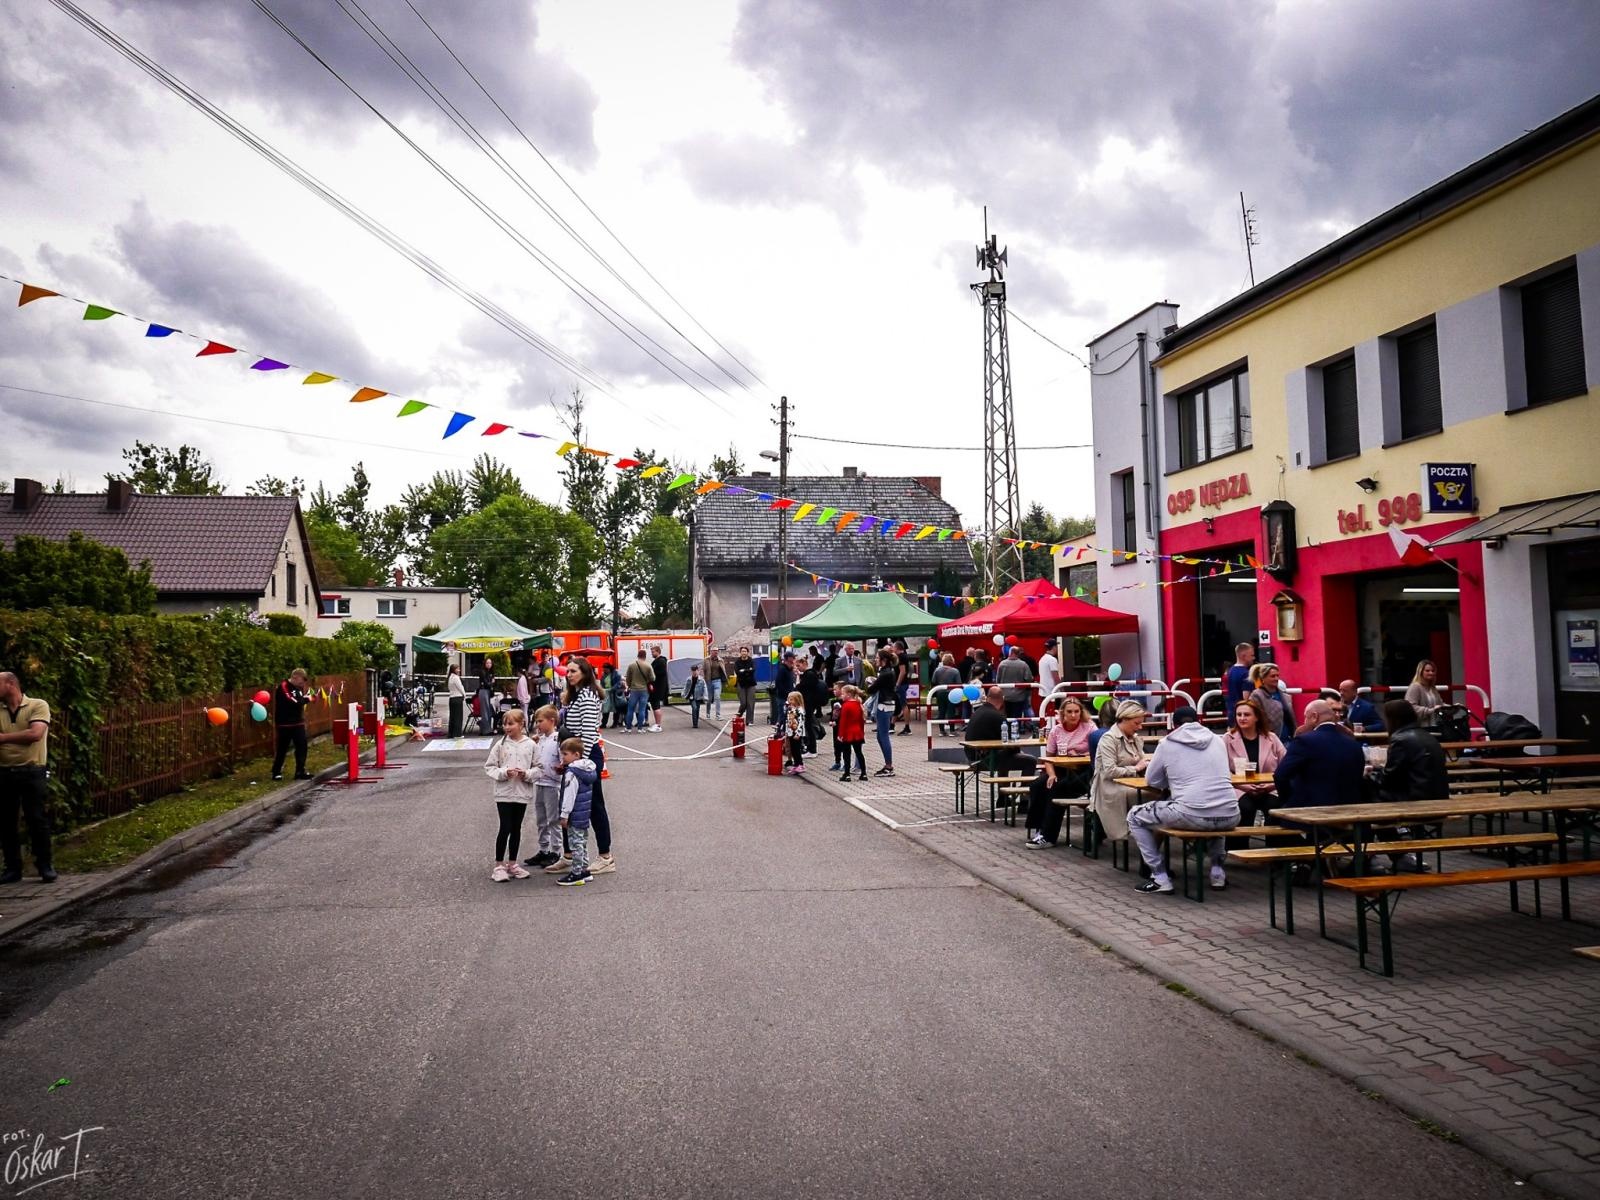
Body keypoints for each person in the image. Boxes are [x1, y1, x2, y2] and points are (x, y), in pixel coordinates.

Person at [1127, 707, 1240, 895]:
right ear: (1198, 721)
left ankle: (1159, 876)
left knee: (1134, 816)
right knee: (1215, 806)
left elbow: (1152, 780)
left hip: (1190, 814)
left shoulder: (1167, 743)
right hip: (1231, 814)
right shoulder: (1218, 740)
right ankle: (1217, 872)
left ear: (1175, 725)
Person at [560, 656, 614, 875]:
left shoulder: (588, 696)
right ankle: (570, 855)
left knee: (594, 806)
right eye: (568, 671)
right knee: (571, 804)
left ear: (584, 672)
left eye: (573, 671)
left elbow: (590, 732)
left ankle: (605, 856)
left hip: (586, 756)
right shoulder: (576, 695)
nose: (569, 674)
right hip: (574, 754)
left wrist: (583, 762)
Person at [0, 671, 54, 883]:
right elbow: (27, 735)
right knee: (6, 823)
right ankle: (12, 868)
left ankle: (45, 865)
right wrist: (16, 739)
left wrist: (3, 738)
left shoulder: (37, 705)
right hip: (4, 771)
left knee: (36, 819)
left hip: (32, 771)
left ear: (10, 684)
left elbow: (35, 734)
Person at [1273, 698, 1366, 811]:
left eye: (1305, 717)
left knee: (1272, 817)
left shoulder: (1304, 741)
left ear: (1314, 716)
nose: (1305, 722)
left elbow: (1280, 775)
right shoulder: (1353, 743)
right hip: (1350, 810)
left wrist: (1288, 802)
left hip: (1310, 812)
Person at [1024, 696, 1092, 848]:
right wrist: (1052, 774)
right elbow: (1048, 758)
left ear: (1081, 712)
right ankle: (1038, 828)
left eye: (1076, 711)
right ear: (1063, 714)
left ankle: (1048, 836)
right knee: (1038, 784)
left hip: (1082, 771)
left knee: (1056, 788)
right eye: (1069, 712)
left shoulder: (1089, 727)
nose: (1073, 715)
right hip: (1060, 768)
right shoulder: (1056, 730)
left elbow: (1097, 751)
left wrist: (1083, 755)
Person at [483, 707, 536, 882]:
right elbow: (490, 766)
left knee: (516, 828)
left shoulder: (531, 745)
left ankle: (512, 863)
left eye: (511, 723)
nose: (507, 727)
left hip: (522, 792)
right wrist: (504, 773)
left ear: (522, 724)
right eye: (505, 724)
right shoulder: (500, 744)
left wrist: (526, 774)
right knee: (505, 826)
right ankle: (499, 865)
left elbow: (539, 768)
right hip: (503, 793)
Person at [1089, 701, 1151, 848]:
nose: (1140, 727)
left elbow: (1142, 760)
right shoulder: (1108, 739)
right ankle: (1150, 836)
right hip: (1109, 788)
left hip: (1131, 784)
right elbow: (1110, 771)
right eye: (1136, 723)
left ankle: (1150, 836)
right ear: (1124, 719)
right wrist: (1136, 768)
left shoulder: (1135, 739)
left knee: (1157, 794)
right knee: (1152, 797)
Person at [1222, 697, 1286, 829]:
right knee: (1244, 808)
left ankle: (1276, 846)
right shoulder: (1227, 739)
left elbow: (1285, 766)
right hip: (1239, 788)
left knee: (1275, 807)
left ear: (1257, 717)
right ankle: (1238, 848)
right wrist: (1244, 786)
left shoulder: (1272, 738)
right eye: (1239, 715)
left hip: (1270, 788)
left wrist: (1270, 785)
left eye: (1247, 714)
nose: (1242, 718)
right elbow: (1222, 768)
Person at [522, 705, 566, 871]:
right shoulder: (540, 739)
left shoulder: (556, 739)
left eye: (540, 721)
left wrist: (561, 768)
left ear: (552, 721)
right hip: (540, 782)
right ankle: (543, 848)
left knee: (553, 818)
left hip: (552, 783)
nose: (538, 724)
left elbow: (562, 759)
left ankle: (556, 851)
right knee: (541, 819)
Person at [555, 736, 597, 886]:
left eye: (565, 754)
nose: (563, 757)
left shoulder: (572, 773)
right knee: (582, 842)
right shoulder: (587, 770)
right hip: (584, 812)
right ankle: (584, 869)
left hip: (574, 813)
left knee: (575, 843)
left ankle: (577, 872)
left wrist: (564, 815)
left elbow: (569, 795)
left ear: (576, 754)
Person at [271, 668, 314, 781]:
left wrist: (305, 698)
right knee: (282, 748)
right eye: (301, 681)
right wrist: (305, 700)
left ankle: (300, 771)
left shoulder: (298, 688)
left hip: (297, 722)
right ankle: (276, 771)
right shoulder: (284, 687)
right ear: (295, 677)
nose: (302, 684)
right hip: (285, 723)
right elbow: (293, 701)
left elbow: (299, 699)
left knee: (302, 745)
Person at [868, 648, 899, 777]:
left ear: (884, 660)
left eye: (877, 658)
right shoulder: (888, 672)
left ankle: (889, 766)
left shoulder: (886, 673)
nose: (875, 660)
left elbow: (872, 689)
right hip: (887, 704)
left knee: (884, 736)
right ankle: (887, 764)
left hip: (884, 706)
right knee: (880, 736)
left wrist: (871, 683)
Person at [1249, 662, 1293, 742]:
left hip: (1287, 737)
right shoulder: (1256, 696)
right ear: (1263, 678)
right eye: (1273, 676)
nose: (1276, 678)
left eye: (1277, 676)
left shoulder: (1284, 696)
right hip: (1268, 739)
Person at [837, 685, 868, 781]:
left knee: (847, 753)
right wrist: (862, 732)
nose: (842, 696)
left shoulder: (846, 705)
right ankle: (863, 773)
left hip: (847, 732)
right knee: (859, 753)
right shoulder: (858, 704)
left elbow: (843, 721)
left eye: (843, 694)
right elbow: (861, 721)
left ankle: (847, 774)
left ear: (849, 695)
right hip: (857, 732)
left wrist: (840, 734)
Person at [799, 656, 829, 754]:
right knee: (808, 725)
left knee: (809, 726)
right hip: (809, 703)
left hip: (809, 703)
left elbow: (803, 688)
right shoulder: (809, 674)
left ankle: (812, 749)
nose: (798, 668)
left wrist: (798, 684)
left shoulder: (809, 674)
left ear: (804, 664)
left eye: (799, 665)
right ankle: (810, 747)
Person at [996, 645, 1034, 719]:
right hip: (1019, 696)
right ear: (1018, 653)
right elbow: (1028, 679)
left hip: (1005, 695)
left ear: (1009, 653)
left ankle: (1008, 729)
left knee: (1007, 716)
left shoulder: (1002, 664)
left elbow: (998, 680)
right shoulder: (1023, 665)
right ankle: (1017, 729)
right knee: (1017, 717)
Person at [931, 652, 962, 735]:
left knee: (941, 711)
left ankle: (941, 730)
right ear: (951, 661)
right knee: (951, 711)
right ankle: (952, 730)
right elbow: (959, 683)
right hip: (951, 693)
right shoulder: (955, 671)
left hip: (940, 692)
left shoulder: (937, 670)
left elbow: (933, 681)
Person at [624, 648, 654, 733]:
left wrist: (629, 685)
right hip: (644, 690)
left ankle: (628, 728)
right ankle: (640, 728)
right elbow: (653, 678)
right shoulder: (648, 666)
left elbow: (628, 678)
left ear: (638, 655)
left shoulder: (631, 665)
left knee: (630, 709)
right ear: (645, 656)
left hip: (634, 690)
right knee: (641, 709)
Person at [1224, 642, 1256, 714]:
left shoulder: (1230, 671)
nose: (1254, 658)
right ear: (1244, 656)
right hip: (1244, 714)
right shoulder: (1246, 674)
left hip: (1232, 712)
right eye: (1252, 655)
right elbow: (1247, 699)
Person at [782, 690, 807, 775]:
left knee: (797, 749)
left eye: (791, 699)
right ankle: (796, 764)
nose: (789, 701)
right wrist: (786, 731)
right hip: (790, 732)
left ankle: (800, 764)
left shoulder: (800, 710)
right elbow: (788, 721)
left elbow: (801, 723)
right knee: (793, 749)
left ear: (797, 700)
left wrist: (798, 733)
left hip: (797, 733)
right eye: (789, 699)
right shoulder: (791, 709)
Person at [772, 649, 798, 729]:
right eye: (792, 660)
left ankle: (783, 730)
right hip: (783, 697)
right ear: (787, 659)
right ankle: (779, 729)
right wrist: (787, 693)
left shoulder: (789, 670)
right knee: (782, 715)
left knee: (787, 715)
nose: (793, 662)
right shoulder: (782, 669)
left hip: (789, 697)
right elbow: (778, 683)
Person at [703, 649, 728, 722]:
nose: (716, 652)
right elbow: (703, 670)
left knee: (717, 697)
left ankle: (718, 715)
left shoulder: (720, 660)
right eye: (714, 651)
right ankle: (708, 713)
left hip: (718, 681)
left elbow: (723, 670)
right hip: (709, 681)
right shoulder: (706, 660)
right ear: (711, 652)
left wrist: (725, 680)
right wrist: (704, 680)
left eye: (717, 651)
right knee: (709, 699)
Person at [734, 646, 759, 721]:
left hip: (751, 683)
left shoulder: (751, 661)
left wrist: (743, 671)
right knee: (743, 703)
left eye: (745, 651)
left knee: (750, 703)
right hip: (741, 684)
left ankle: (749, 720)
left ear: (747, 653)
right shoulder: (737, 662)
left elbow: (753, 670)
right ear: (740, 653)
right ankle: (739, 714)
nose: (744, 653)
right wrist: (748, 671)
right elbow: (737, 672)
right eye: (742, 651)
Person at [894, 649, 915, 736]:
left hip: (902, 684)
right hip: (903, 683)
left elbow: (902, 671)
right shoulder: (905, 656)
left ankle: (907, 727)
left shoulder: (901, 657)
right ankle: (892, 724)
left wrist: (897, 684)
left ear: (897, 648)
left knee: (903, 704)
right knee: (898, 704)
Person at [475, 657, 496, 736]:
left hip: (488, 692)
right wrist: (492, 683)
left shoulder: (490, 672)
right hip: (483, 691)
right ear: (484, 664)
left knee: (488, 710)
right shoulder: (483, 671)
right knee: (485, 711)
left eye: (490, 663)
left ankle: (486, 729)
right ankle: (486, 730)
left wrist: (491, 683)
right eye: (487, 663)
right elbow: (486, 683)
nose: (489, 664)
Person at [683, 664, 709, 729]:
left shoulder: (701, 680)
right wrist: (684, 694)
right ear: (691, 671)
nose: (694, 672)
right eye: (693, 671)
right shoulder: (689, 679)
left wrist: (705, 696)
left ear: (698, 671)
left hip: (698, 697)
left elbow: (705, 688)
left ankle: (696, 722)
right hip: (691, 696)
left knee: (697, 709)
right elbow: (686, 687)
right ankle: (695, 724)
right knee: (694, 708)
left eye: (696, 670)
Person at [1037, 638, 1061, 707]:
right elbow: (1055, 676)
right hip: (1052, 692)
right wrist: (1061, 688)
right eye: (1056, 647)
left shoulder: (1042, 659)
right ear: (1053, 647)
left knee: (1046, 714)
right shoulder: (1052, 660)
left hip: (1043, 691)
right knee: (1055, 713)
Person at [598, 661, 622, 729]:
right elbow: (602, 683)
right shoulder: (604, 675)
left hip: (614, 693)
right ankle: (604, 723)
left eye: (605, 669)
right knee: (606, 708)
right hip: (606, 693)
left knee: (615, 708)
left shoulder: (616, 674)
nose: (604, 670)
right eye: (604, 669)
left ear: (609, 669)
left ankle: (615, 723)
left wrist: (612, 689)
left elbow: (618, 683)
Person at [447, 664, 466, 738]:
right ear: (454, 670)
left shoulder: (450, 677)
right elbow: (460, 687)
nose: (459, 670)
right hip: (457, 697)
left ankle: (451, 733)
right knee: (458, 717)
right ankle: (457, 734)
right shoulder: (456, 678)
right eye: (457, 669)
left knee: (452, 717)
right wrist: (464, 694)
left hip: (452, 698)